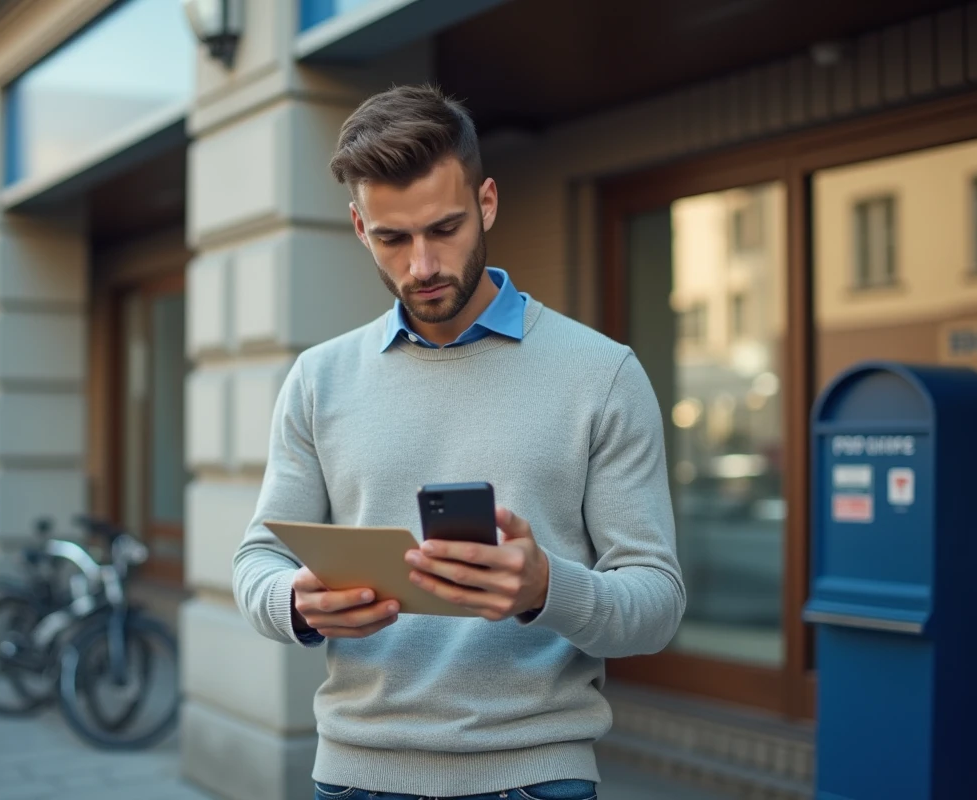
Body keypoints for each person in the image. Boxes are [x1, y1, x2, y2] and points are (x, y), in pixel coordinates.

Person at [233, 84, 685, 800]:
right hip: (354, 778)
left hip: (536, 777)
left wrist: (547, 588)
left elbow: (657, 604)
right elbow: (256, 559)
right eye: (392, 238)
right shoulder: (318, 379)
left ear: (488, 203)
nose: (422, 266)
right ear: (358, 226)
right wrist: (293, 601)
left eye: (444, 229)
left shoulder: (603, 375)